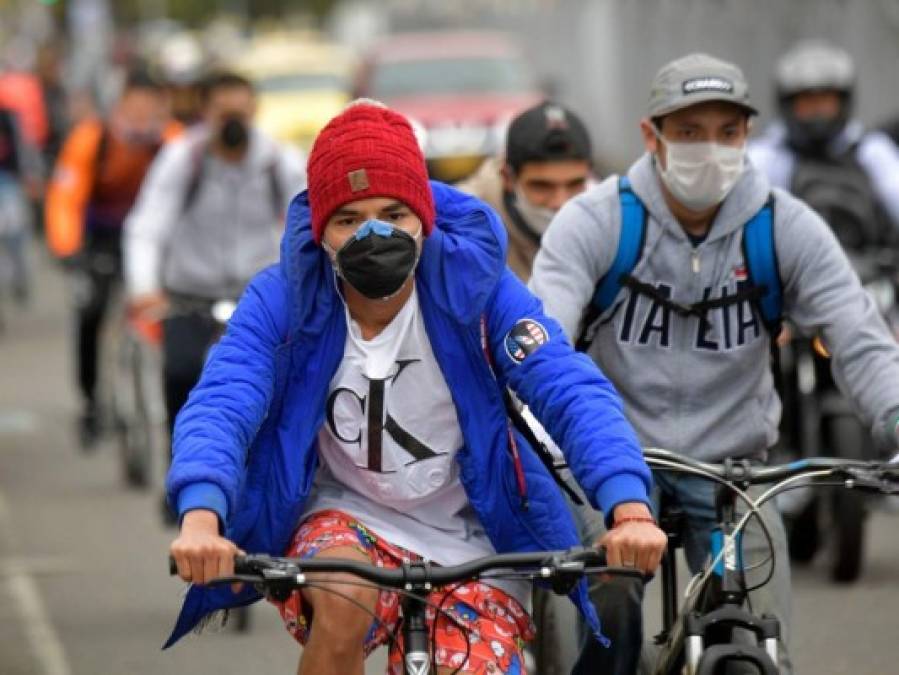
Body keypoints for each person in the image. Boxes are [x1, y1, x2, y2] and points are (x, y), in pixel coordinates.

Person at [164, 100, 667, 675]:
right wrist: (201, 519)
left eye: (394, 214)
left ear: (424, 218)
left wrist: (629, 510)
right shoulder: (283, 300)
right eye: (349, 219)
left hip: (474, 536)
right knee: (341, 599)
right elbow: (222, 402)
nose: (374, 233)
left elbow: (569, 388)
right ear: (321, 229)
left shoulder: (480, 293)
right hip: (346, 520)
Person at [529, 53, 899, 674]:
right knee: (604, 606)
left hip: (734, 472)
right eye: (690, 132)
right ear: (652, 136)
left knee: (761, 637)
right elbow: (546, 347)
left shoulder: (785, 227)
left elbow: (859, 337)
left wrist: (893, 416)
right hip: (614, 460)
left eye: (727, 132)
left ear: (748, 134)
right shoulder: (595, 222)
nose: (712, 149)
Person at [123, 71, 304, 521]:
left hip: (255, 299)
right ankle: (181, 476)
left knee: (273, 387)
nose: (233, 120)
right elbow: (148, 225)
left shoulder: (278, 161)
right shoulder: (182, 158)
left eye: (241, 110)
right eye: (224, 112)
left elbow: (309, 224)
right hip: (190, 294)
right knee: (180, 374)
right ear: (205, 112)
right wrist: (144, 288)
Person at [45, 69, 180, 447]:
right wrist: (67, 246)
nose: (141, 117)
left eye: (149, 108)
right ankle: (90, 401)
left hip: (158, 241)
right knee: (91, 313)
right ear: (120, 104)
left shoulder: (173, 142)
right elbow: (65, 195)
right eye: (134, 107)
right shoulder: (93, 137)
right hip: (102, 238)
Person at [748, 40, 899, 249]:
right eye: (807, 103)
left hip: (870, 270)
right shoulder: (767, 155)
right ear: (788, 105)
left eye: (825, 102)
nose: (817, 112)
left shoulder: (871, 150)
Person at [457, 101, 592, 281]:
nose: (560, 201)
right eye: (542, 185)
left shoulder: (610, 215)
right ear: (508, 178)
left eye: (575, 184)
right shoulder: (460, 224)